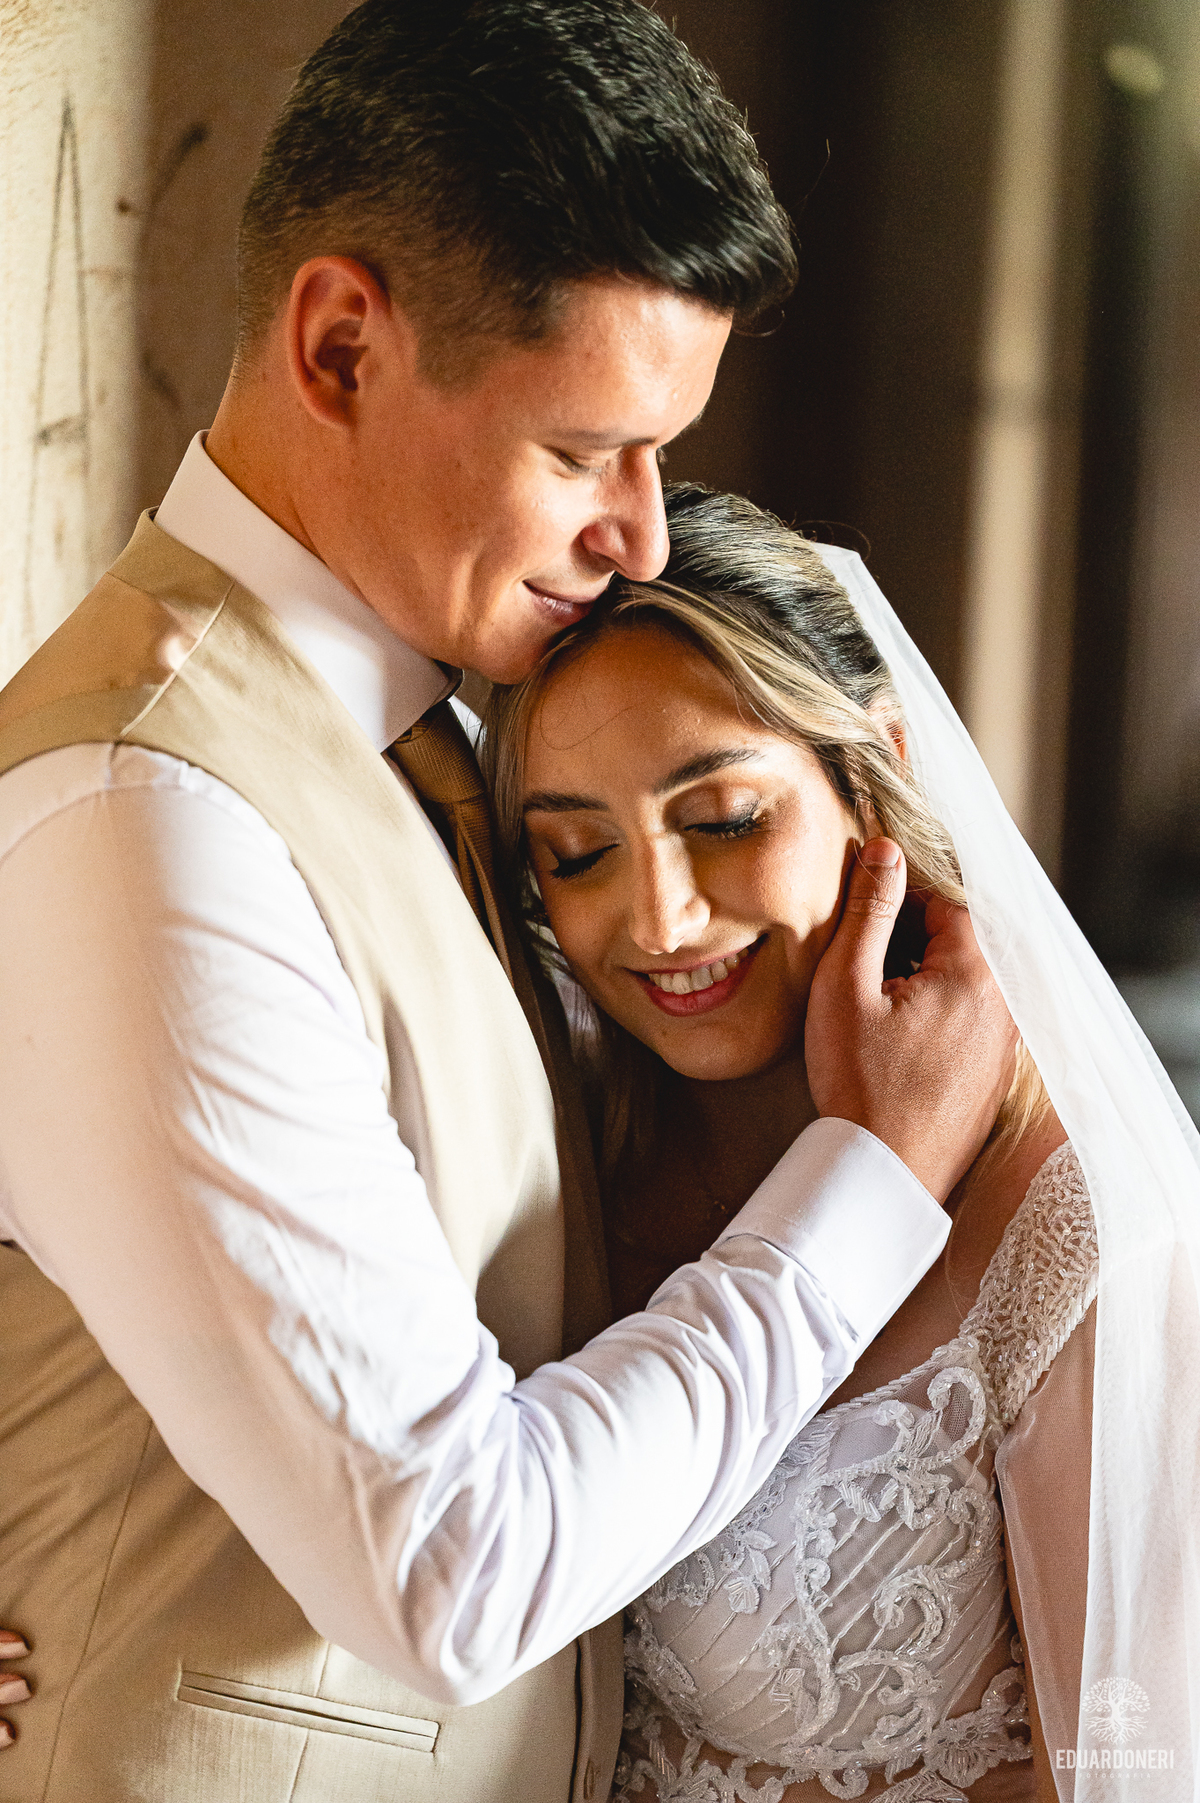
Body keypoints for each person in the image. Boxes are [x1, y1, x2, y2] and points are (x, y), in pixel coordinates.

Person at [0, 6, 1018, 1801]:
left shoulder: (464, 747)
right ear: (338, 345)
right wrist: (870, 1182)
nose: (640, 533)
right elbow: (452, 1582)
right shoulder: (144, 805)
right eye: (583, 451)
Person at [482, 485, 1200, 1802]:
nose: (661, 918)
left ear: (873, 767)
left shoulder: (1072, 1226)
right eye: (579, 854)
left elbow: (1128, 1773)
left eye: (724, 820)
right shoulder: (549, 1151)